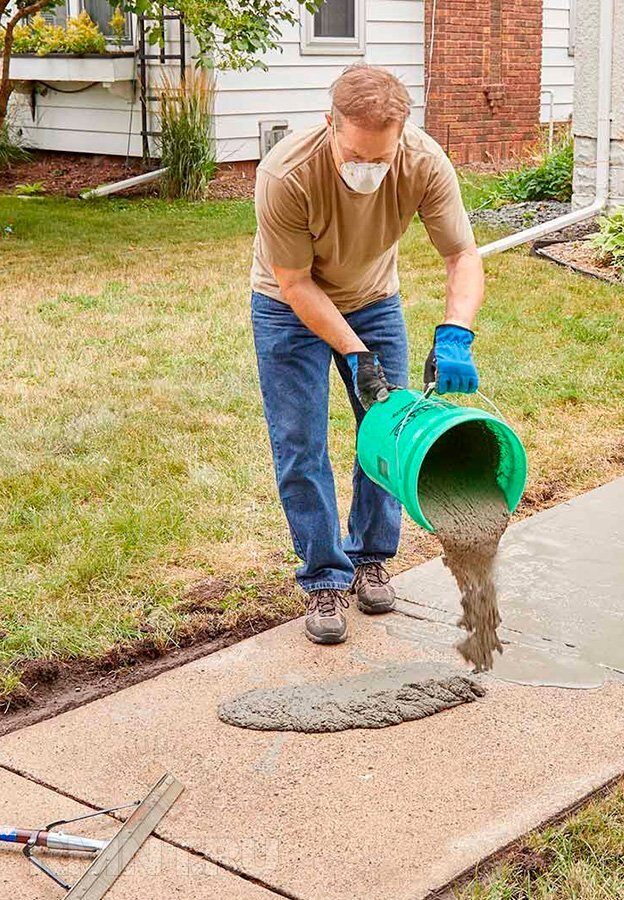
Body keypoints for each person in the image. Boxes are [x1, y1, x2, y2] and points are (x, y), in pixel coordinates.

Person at [250, 64, 484, 646]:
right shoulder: (287, 173)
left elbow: (463, 257)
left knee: (388, 431)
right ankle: (324, 578)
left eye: (382, 159)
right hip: (287, 305)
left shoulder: (423, 162)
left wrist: (456, 331)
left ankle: (371, 557)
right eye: (357, 155)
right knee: (300, 441)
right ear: (330, 125)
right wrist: (354, 355)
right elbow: (296, 281)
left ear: (401, 136)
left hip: (374, 299)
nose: (370, 171)